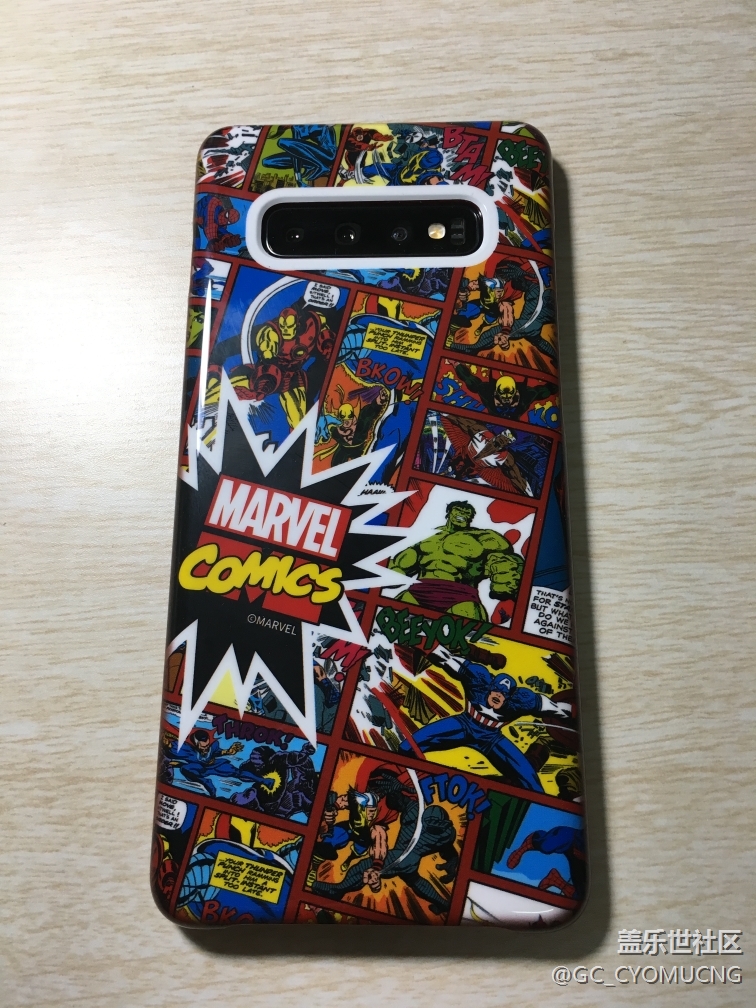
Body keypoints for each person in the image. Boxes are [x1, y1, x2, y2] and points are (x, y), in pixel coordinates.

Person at [397, 647, 571, 792]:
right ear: (490, 686)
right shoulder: (478, 679)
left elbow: (550, 706)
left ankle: (537, 803)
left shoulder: (520, 701)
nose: (498, 696)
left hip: (491, 738)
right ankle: (401, 774)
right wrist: (429, 645)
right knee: (407, 746)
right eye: (496, 691)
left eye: (503, 695)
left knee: (529, 779)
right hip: (464, 724)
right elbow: (448, 659)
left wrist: (569, 712)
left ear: (510, 697)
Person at [388, 500, 523, 620]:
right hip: (419, 591)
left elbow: (508, 561)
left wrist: (506, 579)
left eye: (467, 513)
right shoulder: (428, 537)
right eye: (458, 510)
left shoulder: (483, 538)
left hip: (460, 595)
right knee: (390, 623)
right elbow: (399, 566)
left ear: (470, 518)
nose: (462, 514)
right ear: (449, 512)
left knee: (468, 637)